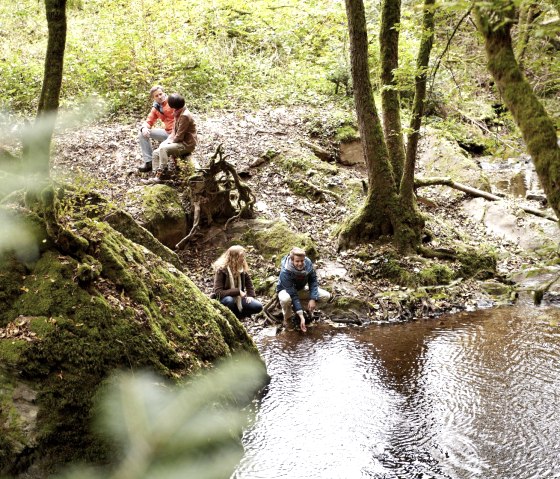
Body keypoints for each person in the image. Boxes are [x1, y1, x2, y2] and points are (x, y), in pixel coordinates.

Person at [141, 93, 198, 185]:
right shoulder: (177, 112)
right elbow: (173, 132)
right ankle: (157, 176)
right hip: (179, 141)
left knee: (163, 149)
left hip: (186, 144)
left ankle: (159, 175)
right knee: (156, 152)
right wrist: (166, 141)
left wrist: (168, 144)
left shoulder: (184, 116)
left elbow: (179, 136)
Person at [276, 247, 330, 332]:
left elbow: (313, 282)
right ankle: (288, 319)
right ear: (292, 260)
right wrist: (301, 316)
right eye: (297, 261)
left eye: (302, 261)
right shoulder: (285, 271)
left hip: (300, 289)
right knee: (286, 299)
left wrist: (313, 299)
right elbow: (293, 294)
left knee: (326, 296)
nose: (300, 263)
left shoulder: (308, 264)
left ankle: (301, 309)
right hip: (285, 291)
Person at [213, 245, 263, 319]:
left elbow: (248, 283)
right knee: (229, 300)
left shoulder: (240, 268)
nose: (243, 259)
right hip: (224, 299)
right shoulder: (221, 270)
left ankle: (238, 315)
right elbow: (218, 292)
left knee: (258, 306)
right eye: (241, 257)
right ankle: (230, 318)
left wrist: (250, 295)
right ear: (234, 258)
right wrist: (238, 291)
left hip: (239, 298)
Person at [137, 85, 175, 173]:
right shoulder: (156, 107)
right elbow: (149, 121)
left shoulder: (172, 101)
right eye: (156, 96)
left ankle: (163, 168)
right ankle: (149, 162)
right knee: (142, 133)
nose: (159, 97)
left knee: (162, 148)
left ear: (164, 93)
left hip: (177, 133)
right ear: (153, 98)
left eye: (160, 94)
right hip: (167, 132)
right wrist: (144, 128)